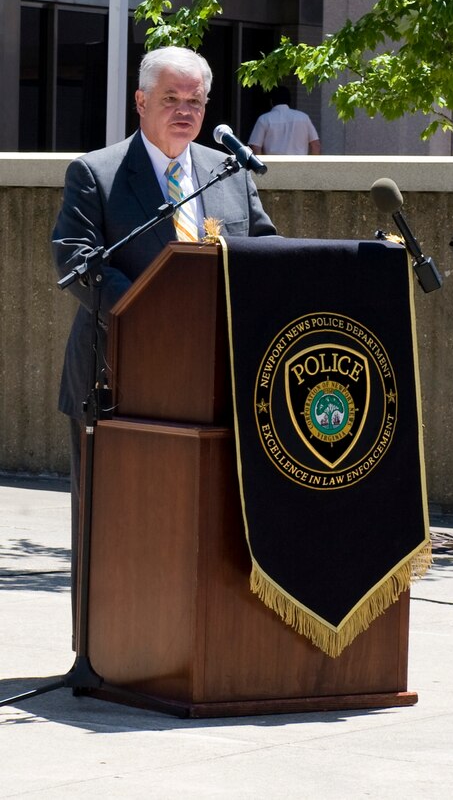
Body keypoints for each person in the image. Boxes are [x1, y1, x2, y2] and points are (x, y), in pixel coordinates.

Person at [52, 46, 276, 647]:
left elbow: (265, 254)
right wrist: (158, 312)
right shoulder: (96, 173)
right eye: (171, 99)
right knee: (116, 526)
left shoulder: (228, 172)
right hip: (117, 377)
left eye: (195, 101)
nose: (184, 111)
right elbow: (76, 264)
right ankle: (104, 651)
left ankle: (193, 649)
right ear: (141, 102)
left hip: (214, 384)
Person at [248, 86, 321, 155]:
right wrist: (312, 166)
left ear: (271, 101)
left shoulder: (264, 119)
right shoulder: (304, 117)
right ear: (289, 100)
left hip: (274, 165)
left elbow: (256, 147)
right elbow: (316, 145)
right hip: (300, 165)